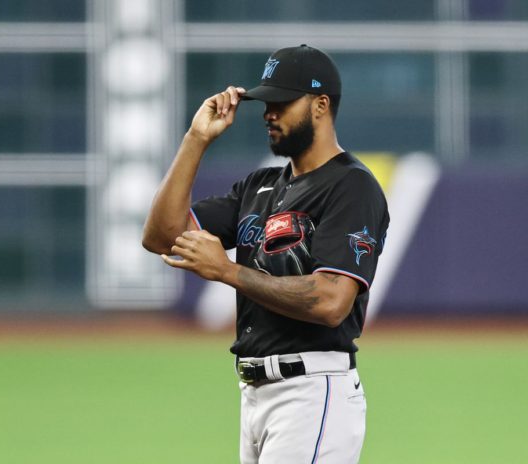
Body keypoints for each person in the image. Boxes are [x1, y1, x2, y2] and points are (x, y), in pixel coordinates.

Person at [142, 44, 389, 463]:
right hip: (256, 397)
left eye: (282, 101)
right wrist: (196, 139)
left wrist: (228, 272)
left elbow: (330, 301)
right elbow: (163, 236)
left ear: (320, 105)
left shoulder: (351, 186)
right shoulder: (259, 185)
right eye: (265, 102)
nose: (268, 113)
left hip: (312, 392)